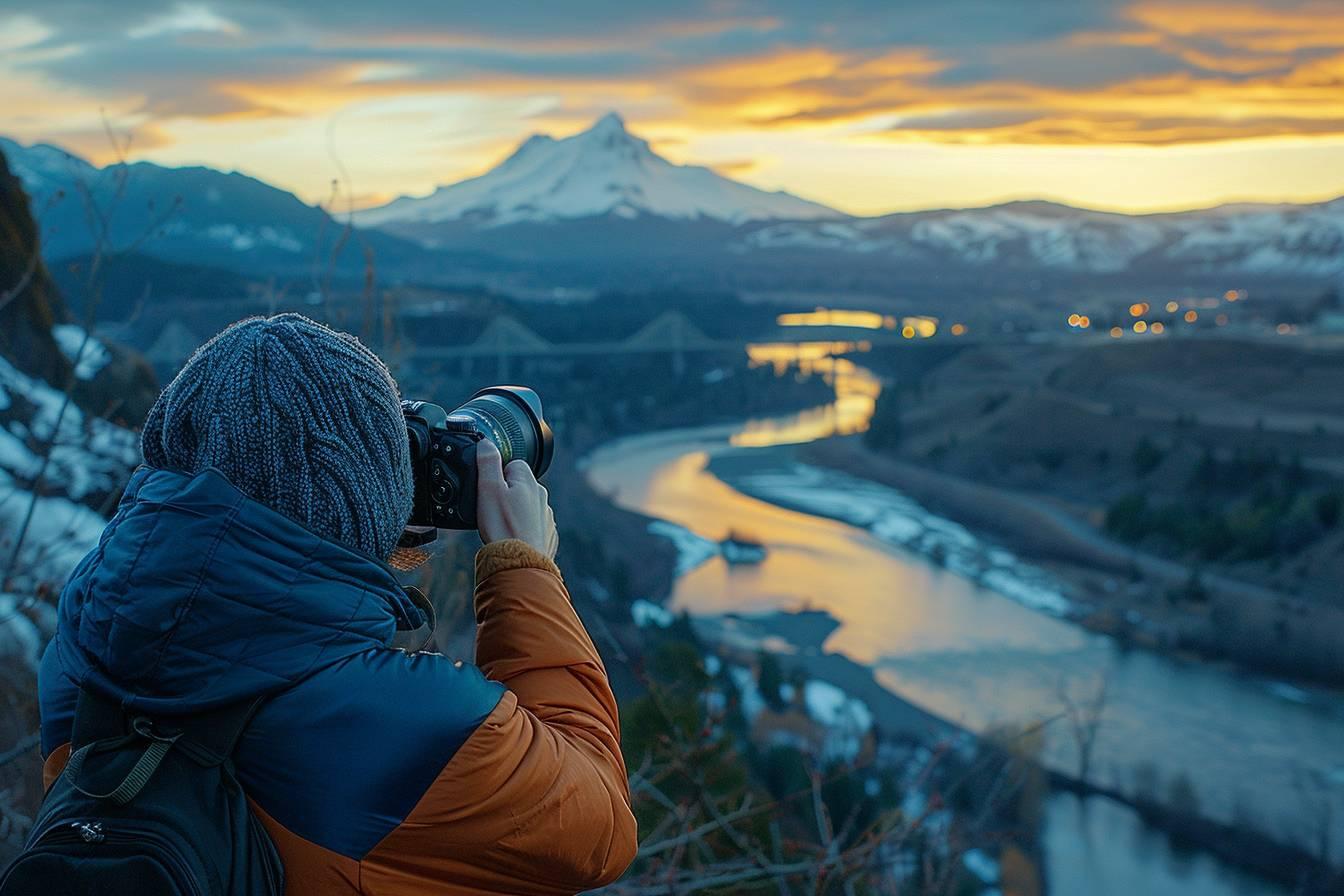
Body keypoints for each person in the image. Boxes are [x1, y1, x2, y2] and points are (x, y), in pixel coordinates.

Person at [36, 314, 637, 895]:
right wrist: (522, 568)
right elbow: (601, 827)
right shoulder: (408, 725)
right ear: (361, 491)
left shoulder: (78, 654)